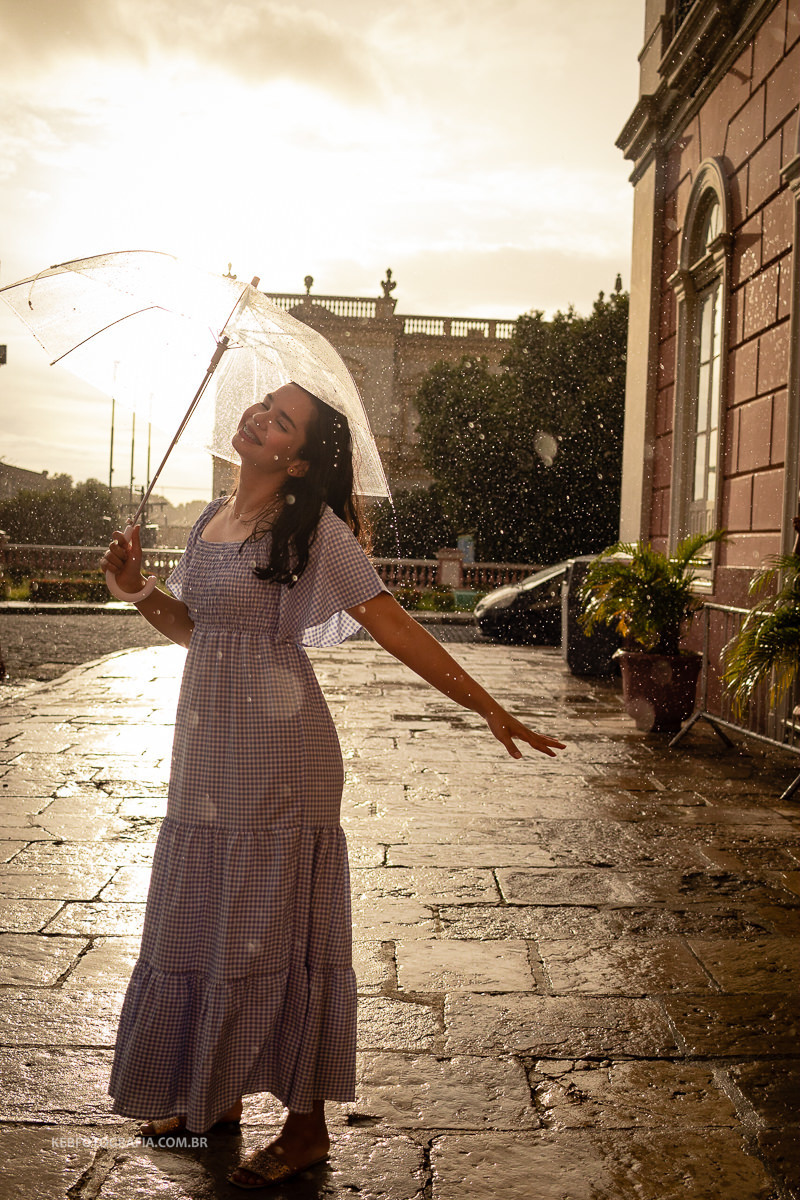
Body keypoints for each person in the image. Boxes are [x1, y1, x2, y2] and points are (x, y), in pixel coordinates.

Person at [100, 381, 565, 1190]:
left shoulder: (313, 530)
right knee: (209, 916)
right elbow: (195, 629)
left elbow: (390, 622)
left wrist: (486, 705)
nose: (258, 418)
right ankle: (211, 1099)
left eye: (280, 420)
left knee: (280, 927)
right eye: (261, 407)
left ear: (301, 457)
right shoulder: (210, 518)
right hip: (206, 758)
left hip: (281, 755)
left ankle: (307, 1128)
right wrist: (138, 588)